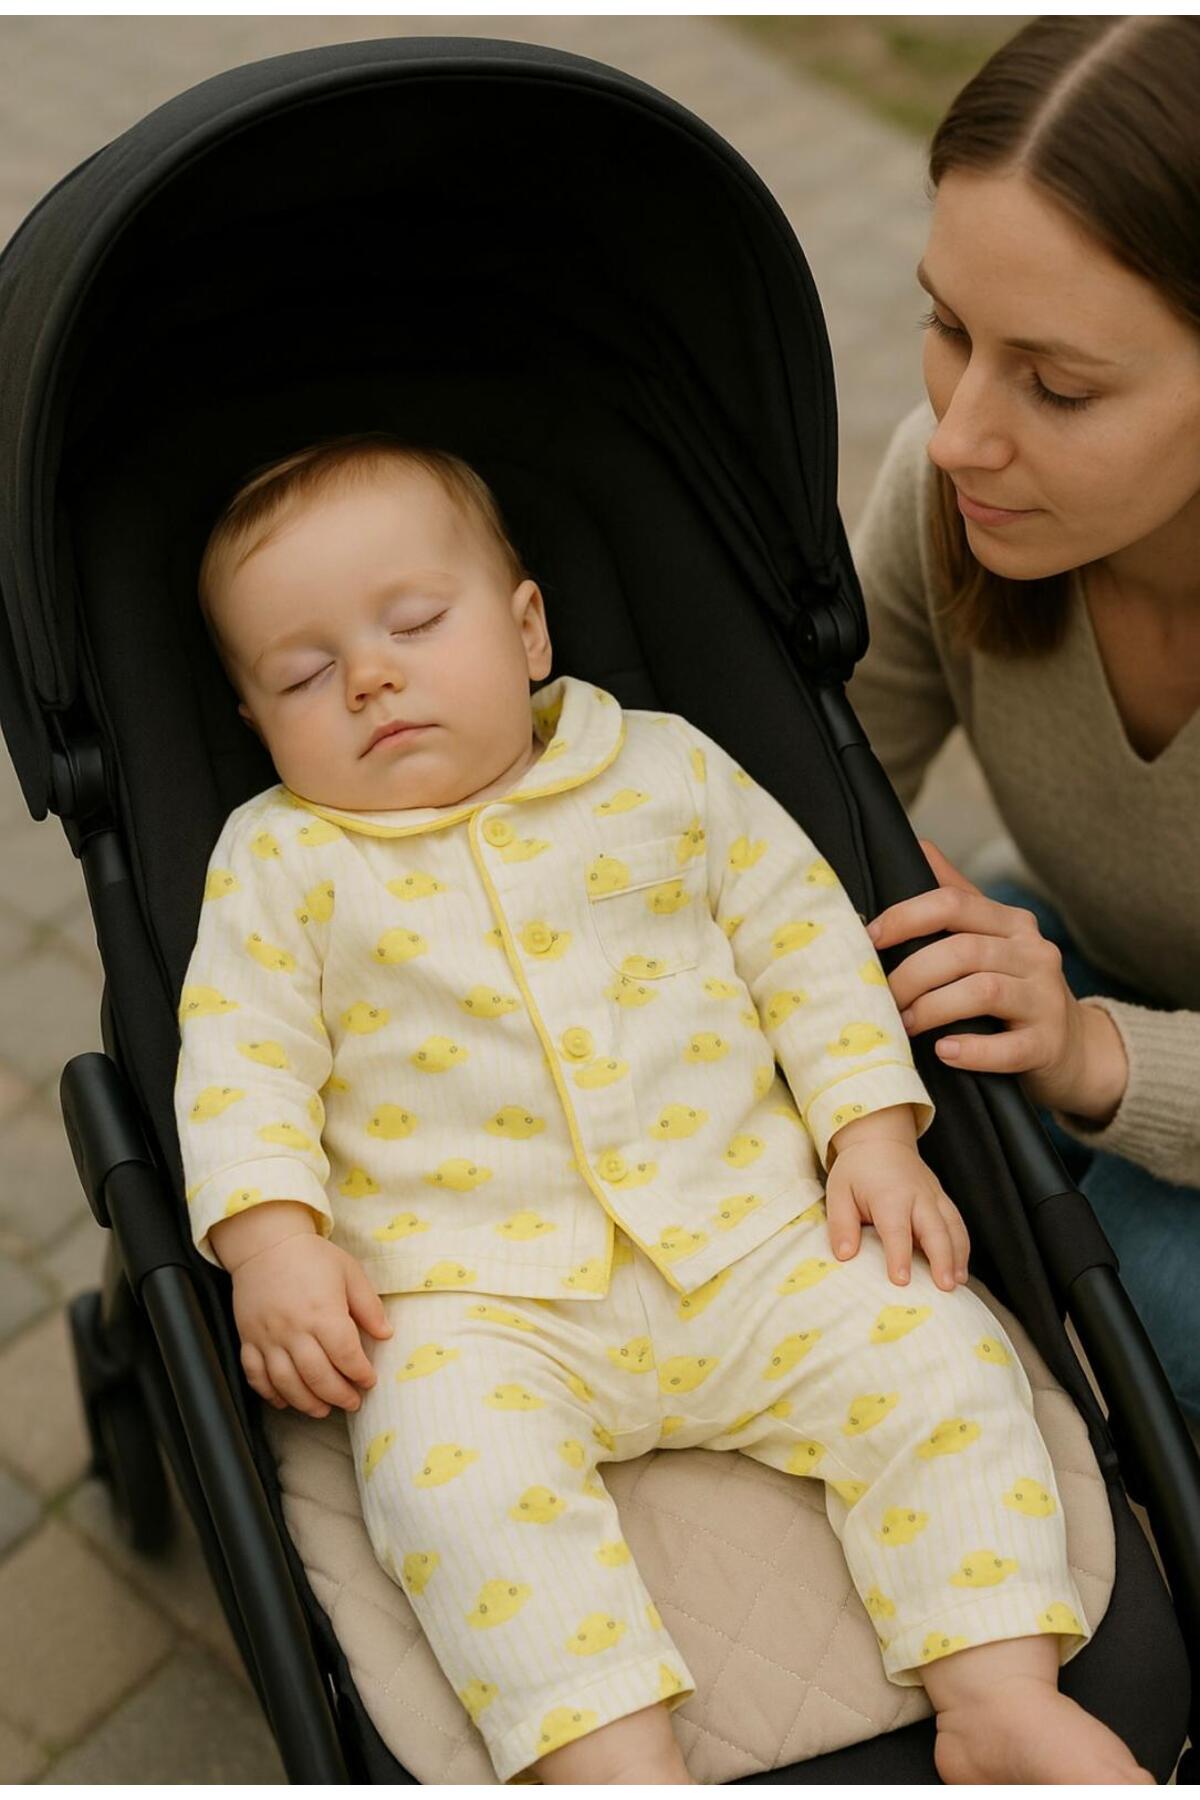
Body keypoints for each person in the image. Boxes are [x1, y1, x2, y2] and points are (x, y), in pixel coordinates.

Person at [174, 433, 1150, 1785]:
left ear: (527, 630)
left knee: (935, 1356)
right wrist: (271, 1240)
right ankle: (612, 1757)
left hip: (756, 1232)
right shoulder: (281, 862)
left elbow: (808, 951)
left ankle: (996, 1687)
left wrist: (871, 1133)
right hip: (471, 1301)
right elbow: (239, 1062)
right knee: (450, 1476)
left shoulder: (666, 772)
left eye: (412, 624)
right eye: (302, 672)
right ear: (254, 722)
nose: (371, 677)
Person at [847, 14, 1200, 1435]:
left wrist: (1095, 1054)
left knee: (1146, 1323)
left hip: (1112, 1044)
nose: (959, 435)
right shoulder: (951, 496)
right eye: (947, 328)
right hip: (1060, 973)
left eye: (1055, 386)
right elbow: (820, 782)